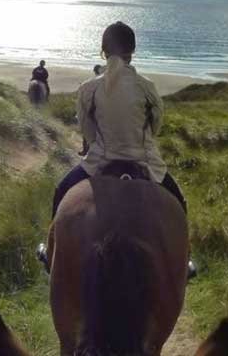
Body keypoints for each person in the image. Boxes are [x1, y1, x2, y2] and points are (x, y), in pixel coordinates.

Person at [38, 21, 194, 276]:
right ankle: (185, 258)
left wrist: (95, 144)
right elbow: (156, 124)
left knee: (61, 191)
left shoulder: (89, 88)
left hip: (100, 160)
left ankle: (50, 252)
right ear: (132, 52)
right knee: (178, 202)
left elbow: (87, 129)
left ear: (103, 52)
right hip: (144, 161)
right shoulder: (147, 86)